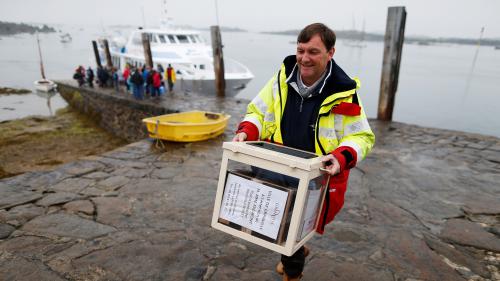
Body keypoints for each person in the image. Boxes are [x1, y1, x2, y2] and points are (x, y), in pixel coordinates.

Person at [232, 23, 375, 281]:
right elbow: (257, 112)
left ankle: (293, 273)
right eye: (300, 50)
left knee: (291, 228)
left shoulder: (345, 92)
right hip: (275, 169)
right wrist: (247, 131)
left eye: (313, 51)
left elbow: (361, 136)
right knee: (275, 224)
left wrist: (342, 156)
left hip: (314, 178)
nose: (304, 58)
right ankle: (296, 252)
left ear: (330, 53)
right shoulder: (280, 80)